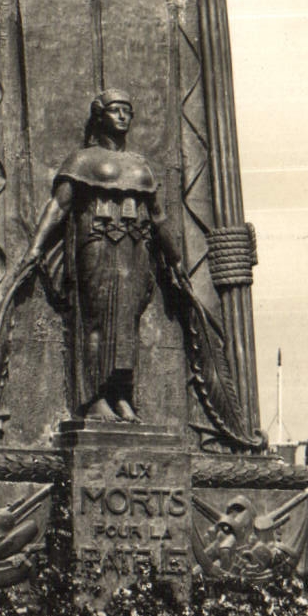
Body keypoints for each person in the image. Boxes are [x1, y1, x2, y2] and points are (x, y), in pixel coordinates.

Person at [20, 91, 186, 421]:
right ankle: (94, 397)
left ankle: (121, 394)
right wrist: (35, 248)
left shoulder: (140, 166)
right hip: (96, 242)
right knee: (95, 320)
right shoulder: (82, 160)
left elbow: (158, 217)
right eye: (116, 111)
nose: (123, 117)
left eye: (128, 111)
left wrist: (177, 259)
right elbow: (59, 206)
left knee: (128, 325)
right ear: (100, 116)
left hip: (135, 247)